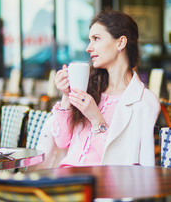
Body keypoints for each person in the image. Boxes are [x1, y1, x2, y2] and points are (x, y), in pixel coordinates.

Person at [51, 10, 160, 167]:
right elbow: (62, 141)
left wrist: (96, 119)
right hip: (66, 177)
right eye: (90, 40)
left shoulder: (143, 102)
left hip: (100, 186)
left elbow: (124, 165)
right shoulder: (90, 89)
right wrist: (66, 96)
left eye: (96, 39)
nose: (88, 48)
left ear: (120, 43)